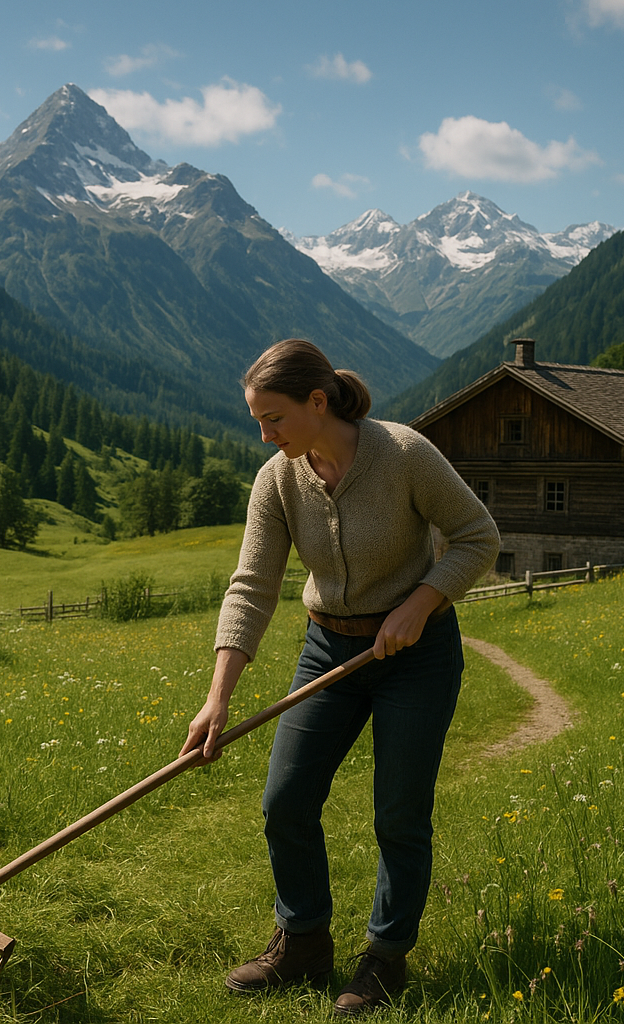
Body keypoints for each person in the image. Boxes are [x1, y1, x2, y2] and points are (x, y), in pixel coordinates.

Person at [180, 339, 499, 1016]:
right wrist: (217, 699)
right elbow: (251, 587)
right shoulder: (278, 479)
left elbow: (477, 535)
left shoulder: (403, 453)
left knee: (399, 813)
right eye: (258, 421)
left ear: (318, 402)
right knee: (286, 801)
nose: (265, 435)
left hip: (416, 656)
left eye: (274, 418)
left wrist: (421, 603)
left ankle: (385, 957)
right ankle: (302, 944)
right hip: (328, 652)